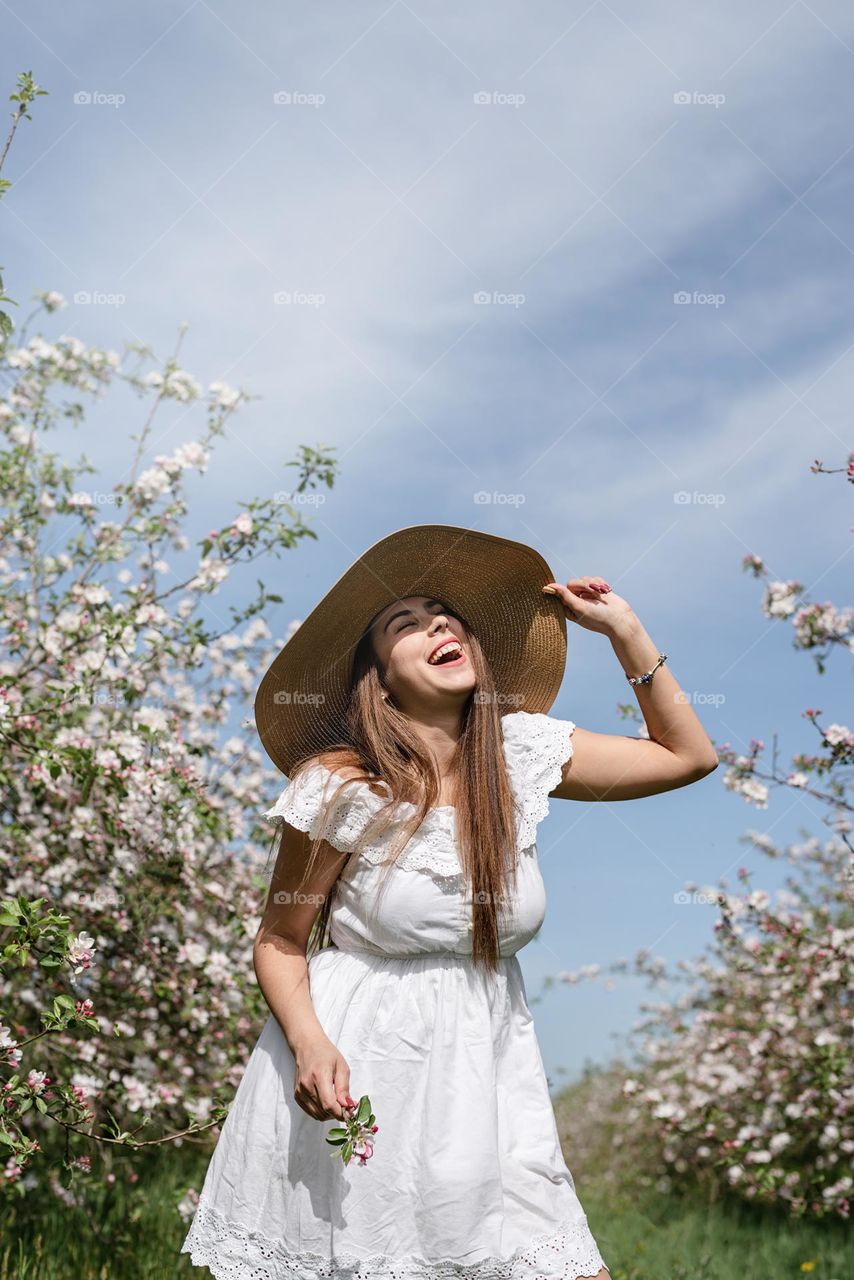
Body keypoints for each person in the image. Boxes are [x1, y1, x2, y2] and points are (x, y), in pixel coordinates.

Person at [180, 523, 718, 1279]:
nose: (438, 626)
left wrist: (624, 631)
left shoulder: (522, 752)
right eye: (407, 624)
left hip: (493, 1064)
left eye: (445, 616)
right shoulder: (342, 786)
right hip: (368, 1060)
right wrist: (309, 1043)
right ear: (379, 676)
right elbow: (281, 938)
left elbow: (688, 756)